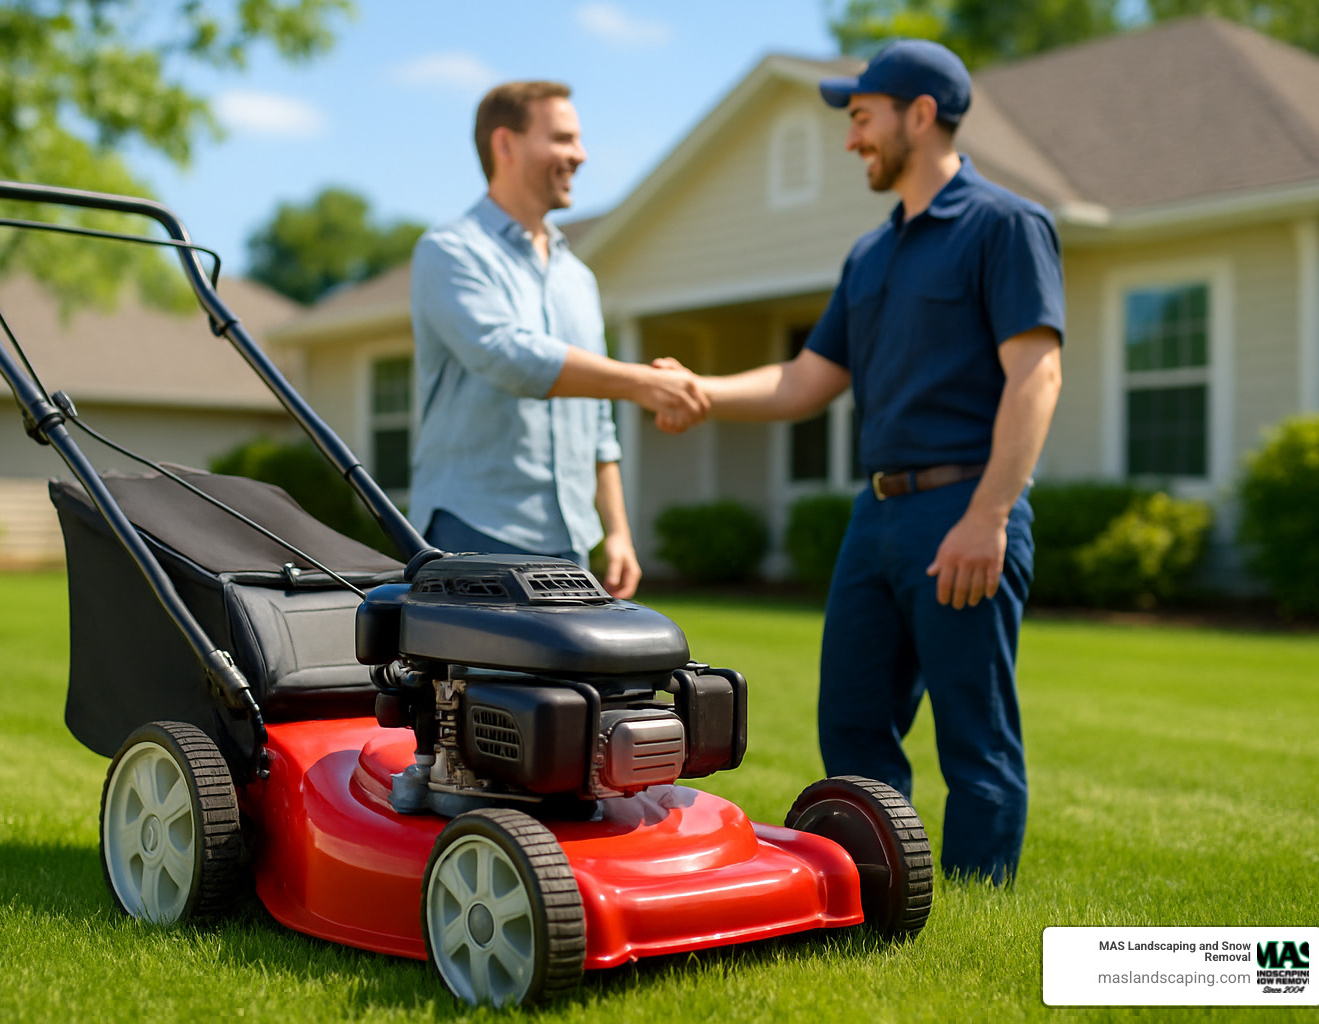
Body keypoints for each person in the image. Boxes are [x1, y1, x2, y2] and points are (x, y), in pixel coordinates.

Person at [663, 40, 1063, 884]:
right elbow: (806, 378)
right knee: (849, 724)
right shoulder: (869, 255)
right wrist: (701, 388)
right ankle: (879, 895)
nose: (852, 141)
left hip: (962, 506)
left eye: (862, 119)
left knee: (974, 736)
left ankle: (979, 913)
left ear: (921, 114)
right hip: (875, 516)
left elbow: (1037, 373)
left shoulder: (1005, 226)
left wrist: (989, 515)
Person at [408, 80, 707, 599]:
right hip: (472, 532)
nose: (581, 155)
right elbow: (507, 356)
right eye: (564, 139)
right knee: (479, 684)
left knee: (575, 685)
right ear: (505, 144)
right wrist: (639, 382)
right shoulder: (450, 252)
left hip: (571, 544)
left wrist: (616, 532)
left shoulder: (578, 278)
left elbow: (597, 421)